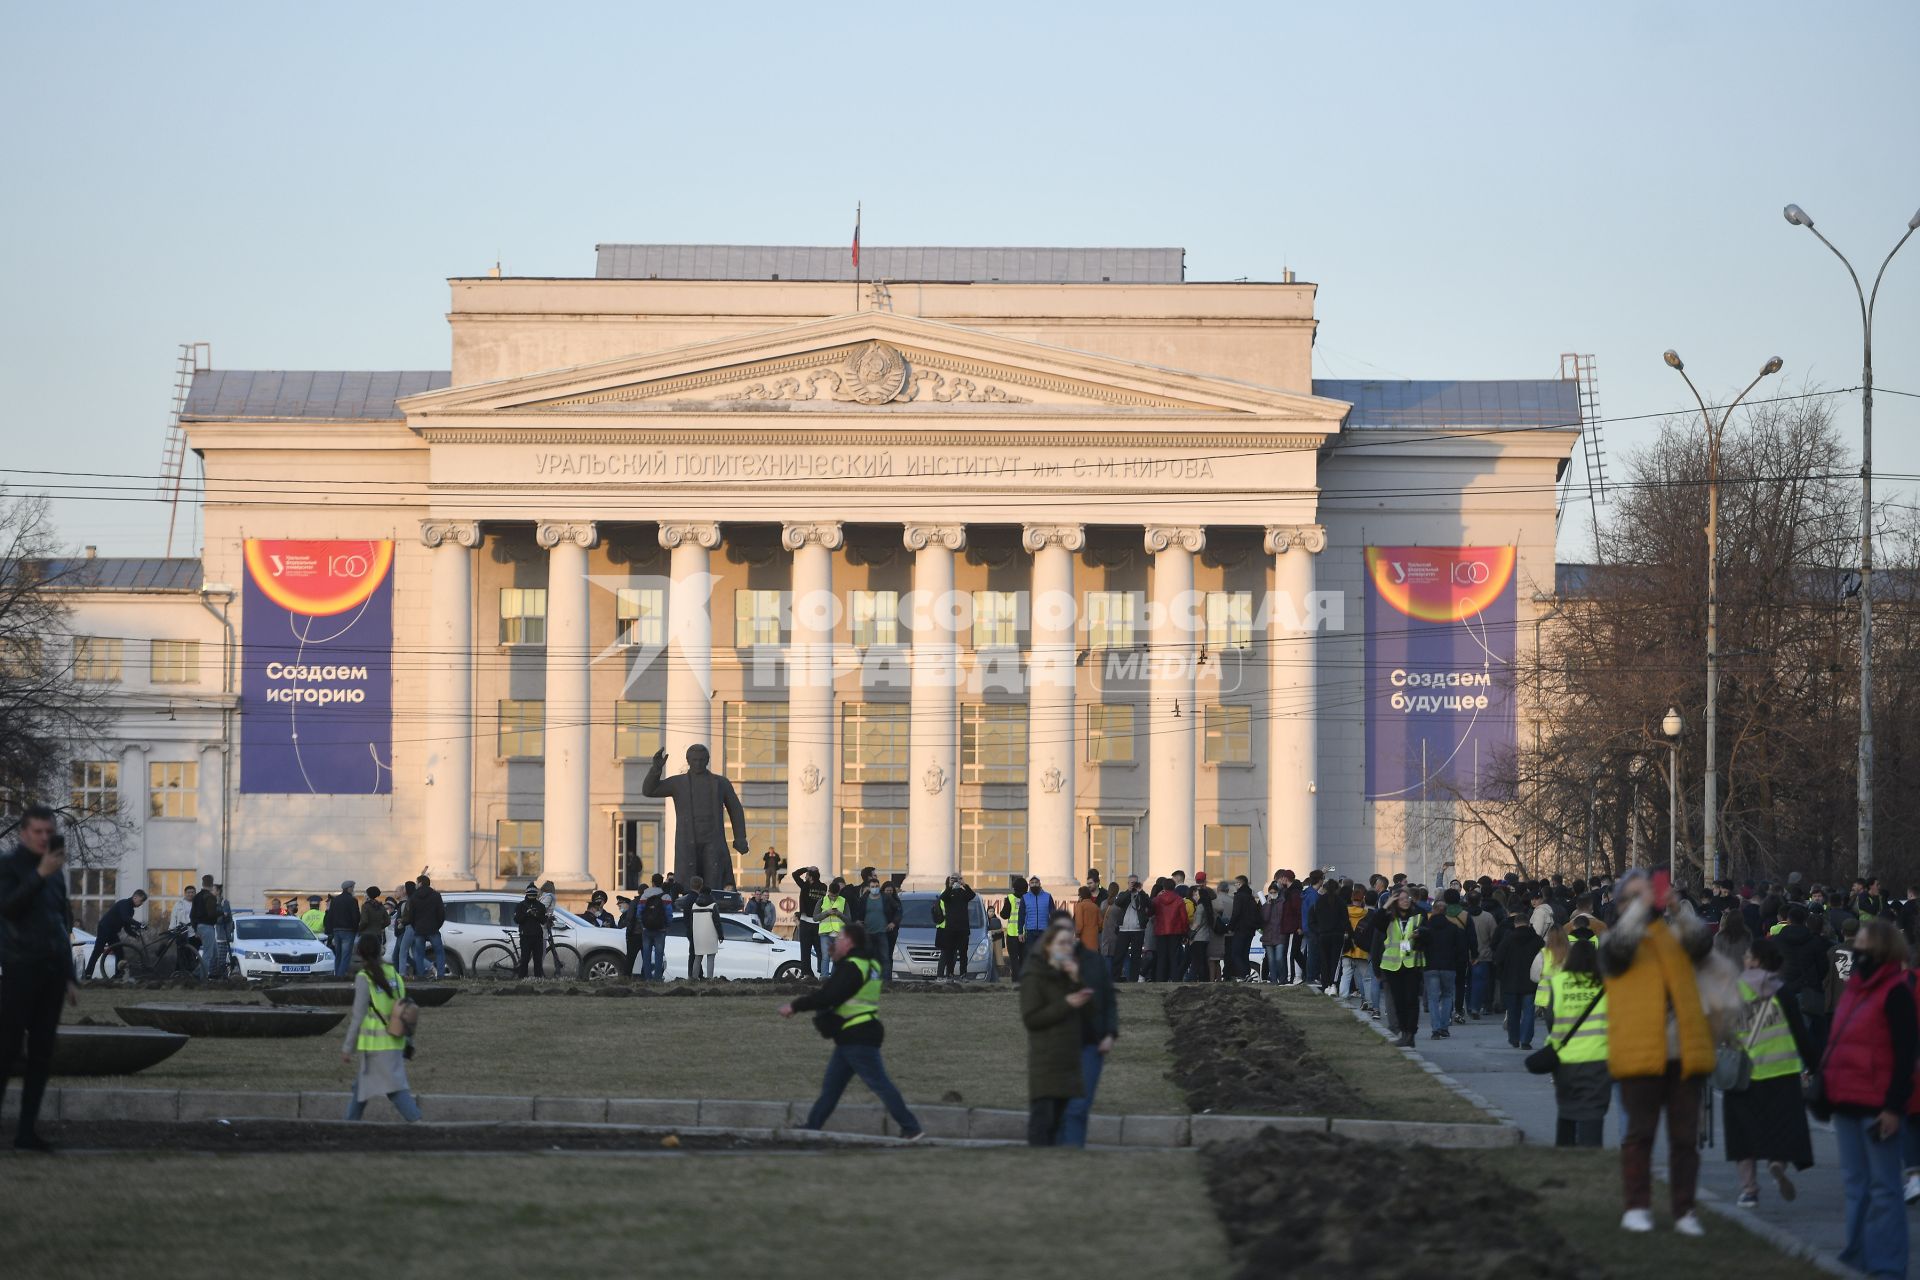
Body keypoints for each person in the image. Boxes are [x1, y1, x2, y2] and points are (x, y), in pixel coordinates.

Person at [1600, 869, 1717, 1237]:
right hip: (1640, 1053)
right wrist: (1639, 907)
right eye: (1635, 897)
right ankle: (1636, 1207)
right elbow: (1619, 950)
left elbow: (1701, 943)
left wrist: (1678, 907)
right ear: (1621, 905)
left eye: (1647, 894)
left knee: (1685, 1139)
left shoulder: (1672, 937)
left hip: (1684, 1053)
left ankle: (1684, 1210)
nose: (1645, 902)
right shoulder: (1615, 942)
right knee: (1639, 1135)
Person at [1818, 918, 1914, 1278]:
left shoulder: (1895, 992)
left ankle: (1888, 1267)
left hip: (1878, 1107)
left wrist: (1893, 1106)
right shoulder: (1856, 989)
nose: (1856, 950)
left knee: (1884, 1189)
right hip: (1846, 1101)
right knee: (1856, 1186)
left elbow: (1905, 1056)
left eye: (1863, 944)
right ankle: (1856, 1256)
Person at [780, 923, 924, 1140]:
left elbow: (829, 995)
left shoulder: (852, 966)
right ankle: (812, 1127)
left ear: (849, 942)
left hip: (858, 1035)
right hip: (853, 1034)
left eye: (839, 938)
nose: (835, 942)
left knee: (881, 1085)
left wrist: (795, 1006)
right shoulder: (869, 964)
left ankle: (911, 1127)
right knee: (832, 1088)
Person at [0, 809, 77, 1152]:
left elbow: (61, 921)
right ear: (24, 832)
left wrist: (70, 974)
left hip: (52, 972)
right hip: (20, 968)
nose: (44, 837)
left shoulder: (56, 872)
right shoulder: (9, 866)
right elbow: (8, 908)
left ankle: (26, 1133)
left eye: (49, 831)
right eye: (38, 831)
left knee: (42, 1055)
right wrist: (39, 875)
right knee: (7, 1051)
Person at [1724, 935, 1814, 1208]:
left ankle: (1749, 1189)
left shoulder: (1734, 990)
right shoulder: (1782, 991)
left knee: (1742, 1134)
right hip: (1782, 1070)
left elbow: (1721, 1030)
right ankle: (1777, 1163)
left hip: (1743, 1072)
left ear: (1756, 960)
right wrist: (1812, 1065)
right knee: (1784, 1126)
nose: (1744, 959)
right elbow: (1800, 1032)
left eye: (1748, 956)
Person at [1020, 920, 1091, 1145]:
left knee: (1062, 1123)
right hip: (1046, 1060)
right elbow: (1032, 1018)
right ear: (1048, 946)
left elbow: (1089, 1011)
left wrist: (1076, 979)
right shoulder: (1034, 975)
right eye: (1061, 943)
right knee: (1043, 1123)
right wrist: (1066, 1003)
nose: (1066, 948)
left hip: (1069, 1060)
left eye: (1069, 943)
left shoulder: (1069, 974)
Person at [642, 744, 750, 890]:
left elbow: (735, 809)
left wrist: (740, 837)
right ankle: (688, 905)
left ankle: (714, 905)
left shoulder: (720, 782)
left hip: (712, 838)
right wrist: (656, 769)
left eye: (701, 760)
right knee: (687, 881)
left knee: (714, 878)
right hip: (687, 839)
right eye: (694, 760)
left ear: (707, 760)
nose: (698, 763)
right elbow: (649, 790)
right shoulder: (677, 783)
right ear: (688, 760)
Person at [339, 931, 421, 1122]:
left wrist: (347, 1048)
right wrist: (409, 1040)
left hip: (377, 1045)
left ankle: (417, 1121)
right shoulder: (394, 973)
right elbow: (404, 1009)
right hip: (396, 1039)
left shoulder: (364, 977)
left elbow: (358, 1016)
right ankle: (349, 1125)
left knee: (394, 1090)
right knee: (361, 1088)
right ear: (380, 950)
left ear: (360, 953)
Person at [1541, 930, 1610, 1147]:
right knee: (1593, 1109)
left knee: (1567, 1107)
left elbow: (1550, 1018)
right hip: (1598, 1056)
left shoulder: (1560, 982)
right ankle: (1591, 1150)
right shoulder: (1604, 984)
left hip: (1565, 1056)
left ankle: (1565, 1151)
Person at [1060, 917, 1118, 1148]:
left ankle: (1073, 1149)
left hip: (1092, 1042)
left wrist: (1110, 1034)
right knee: (1069, 1104)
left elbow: (1109, 1000)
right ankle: (1065, 1149)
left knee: (1081, 1104)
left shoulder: (1094, 962)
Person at [1376, 889, 1425, 1047]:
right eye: (1401, 899)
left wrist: (1421, 934)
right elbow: (1375, 923)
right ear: (1395, 901)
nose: (1405, 901)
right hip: (1393, 965)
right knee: (1399, 1001)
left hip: (1412, 965)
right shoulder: (1389, 917)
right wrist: (1387, 904)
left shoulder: (1418, 915)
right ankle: (1403, 1032)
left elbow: (1430, 934)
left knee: (1411, 1001)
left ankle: (1411, 1033)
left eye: (1407, 898)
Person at [1495, 912, 1544, 1050]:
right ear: (1529, 923)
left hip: (1510, 981)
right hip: (1531, 982)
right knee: (1528, 1012)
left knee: (1513, 1012)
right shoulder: (1537, 940)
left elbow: (1498, 959)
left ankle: (1514, 1038)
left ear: (1515, 924)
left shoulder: (1508, 939)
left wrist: (1502, 976)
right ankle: (1526, 1040)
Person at [1417, 900, 1465, 1037]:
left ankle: (1436, 1028)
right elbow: (1460, 950)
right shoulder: (1453, 928)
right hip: (1449, 967)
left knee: (1433, 998)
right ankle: (1445, 1026)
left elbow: (1419, 946)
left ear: (1433, 910)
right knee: (1447, 996)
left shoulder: (1426, 928)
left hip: (1430, 966)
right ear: (1446, 911)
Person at [86, 888, 147, 979]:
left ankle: (118, 975)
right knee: (98, 951)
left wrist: (135, 935)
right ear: (135, 897)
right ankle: (88, 974)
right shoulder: (125, 904)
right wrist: (139, 924)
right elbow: (125, 918)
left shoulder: (131, 910)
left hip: (112, 932)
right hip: (104, 928)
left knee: (119, 952)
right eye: (141, 901)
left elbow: (127, 927)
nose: (141, 904)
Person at [933, 875, 976, 978]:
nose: (956, 881)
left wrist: (964, 884)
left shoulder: (963, 893)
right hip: (950, 929)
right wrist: (950, 886)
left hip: (963, 928)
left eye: (958, 879)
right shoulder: (947, 894)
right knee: (950, 953)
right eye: (953, 879)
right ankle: (950, 973)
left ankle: (963, 974)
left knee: (963, 954)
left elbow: (972, 895)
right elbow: (943, 897)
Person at [1149, 877, 1188, 983]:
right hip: (1175, 931)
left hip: (1160, 931)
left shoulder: (1157, 900)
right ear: (1174, 886)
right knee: (1173, 957)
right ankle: (1175, 978)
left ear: (1164, 887)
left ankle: (1160, 979)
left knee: (1161, 957)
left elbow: (1150, 912)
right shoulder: (1179, 900)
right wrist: (1185, 932)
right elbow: (1184, 918)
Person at [790, 865, 825, 979]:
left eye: (806, 875)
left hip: (806, 922)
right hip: (818, 923)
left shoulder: (805, 886)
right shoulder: (824, 887)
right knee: (820, 950)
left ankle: (807, 974)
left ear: (810, 877)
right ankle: (823, 972)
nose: (805, 877)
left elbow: (795, 874)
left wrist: (806, 868)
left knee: (805, 950)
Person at [409, 874, 447, 979]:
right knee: (440, 953)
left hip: (419, 930)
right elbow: (441, 914)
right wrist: (437, 926)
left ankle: (421, 975)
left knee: (419, 954)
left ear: (420, 883)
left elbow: (410, 915)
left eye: (417, 883)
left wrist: (415, 926)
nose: (416, 885)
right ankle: (440, 975)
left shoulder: (414, 897)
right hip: (433, 929)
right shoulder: (436, 895)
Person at [682, 877, 720, 980]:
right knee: (699, 955)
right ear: (701, 885)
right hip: (701, 931)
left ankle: (694, 976)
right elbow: (715, 920)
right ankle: (699, 976)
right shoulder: (700, 900)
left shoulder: (687, 899)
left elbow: (686, 917)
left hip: (693, 931)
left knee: (696, 955)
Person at [323, 879, 360, 978]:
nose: (353, 889)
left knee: (338, 955)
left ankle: (337, 975)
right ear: (349, 888)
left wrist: (330, 930)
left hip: (336, 931)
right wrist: (356, 929)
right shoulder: (352, 900)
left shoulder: (335, 900)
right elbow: (355, 916)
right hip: (348, 931)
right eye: (353, 887)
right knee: (346, 955)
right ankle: (341, 977)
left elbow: (331, 915)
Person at [635, 880, 671, 981]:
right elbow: (669, 914)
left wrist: (643, 925)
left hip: (646, 930)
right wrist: (666, 925)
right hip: (661, 930)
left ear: (652, 883)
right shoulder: (666, 896)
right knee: (659, 954)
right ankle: (658, 978)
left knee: (646, 954)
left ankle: (647, 978)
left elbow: (639, 913)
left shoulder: (644, 896)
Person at [1114, 876, 1148, 982]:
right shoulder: (1123, 894)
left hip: (1138, 930)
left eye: (1135, 883)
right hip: (1124, 930)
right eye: (1131, 883)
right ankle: (1115, 979)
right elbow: (1118, 902)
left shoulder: (1142, 895)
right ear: (1128, 883)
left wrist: (1140, 891)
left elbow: (1149, 904)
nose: (1133, 885)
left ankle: (1133, 979)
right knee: (1119, 955)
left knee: (1136, 957)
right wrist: (1129, 891)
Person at [512, 882, 549, 978]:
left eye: (534, 894)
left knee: (538, 960)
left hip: (537, 936)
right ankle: (522, 978)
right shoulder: (521, 905)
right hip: (525, 936)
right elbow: (517, 920)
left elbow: (543, 921)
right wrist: (527, 913)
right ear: (527, 894)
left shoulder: (541, 906)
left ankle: (538, 978)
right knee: (524, 959)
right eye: (530, 894)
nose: (532, 896)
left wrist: (536, 915)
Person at [816, 877, 850, 980]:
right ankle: (824, 977)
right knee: (826, 957)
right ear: (828, 892)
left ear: (839, 893)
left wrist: (839, 914)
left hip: (839, 935)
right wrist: (827, 913)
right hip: (825, 934)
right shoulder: (822, 901)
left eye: (836, 896)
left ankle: (835, 978)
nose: (833, 898)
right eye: (831, 896)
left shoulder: (844, 901)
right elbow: (815, 917)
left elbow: (849, 920)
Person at [192, 874, 224, 978]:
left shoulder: (196, 897)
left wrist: (195, 929)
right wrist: (222, 913)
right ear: (211, 883)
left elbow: (192, 915)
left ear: (202, 883)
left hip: (200, 927)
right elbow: (211, 914)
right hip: (208, 927)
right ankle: (203, 979)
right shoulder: (210, 897)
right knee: (208, 955)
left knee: (214, 953)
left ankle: (195, 974)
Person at [1000, 877, 1029, 982]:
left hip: (1012, 934)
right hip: (1025, 934)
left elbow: (1004, 915)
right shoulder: (1028, 898)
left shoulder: (1010, 898)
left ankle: (1016, 980)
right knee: (1023, 958)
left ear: (1014, 887)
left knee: (1013, 959)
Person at [1072, 885, 1102, 954]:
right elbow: (1100, 924)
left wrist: (1076, 934)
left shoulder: (1080, 906)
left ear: (1081, 896)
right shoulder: (1095, 906)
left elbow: (1079, 925)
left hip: (1083, 942)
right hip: (1094, 941)